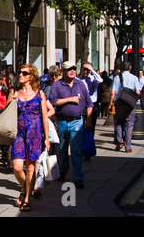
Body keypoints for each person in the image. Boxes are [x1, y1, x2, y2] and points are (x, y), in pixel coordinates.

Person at [6, 64, 49, 212]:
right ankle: (26, 188)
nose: (20, 75)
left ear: (31, 77)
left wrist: (47, 138)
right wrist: (13, 100)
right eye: (20, 72)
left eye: (24, 73)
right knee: (17, 167)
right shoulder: (14, 91)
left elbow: (44, 117)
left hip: (35, 133)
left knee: (31, 166)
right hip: (18, 133)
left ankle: (26, 198)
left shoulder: (39, 94)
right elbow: (6, 113)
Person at [49, 61, 93, 189]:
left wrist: (89, 120)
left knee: (76, 151)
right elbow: (53, 102)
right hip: (62, 122)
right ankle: (62, 171)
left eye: (74, 68)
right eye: (69, 69)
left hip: (77, 122)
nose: (73, 71)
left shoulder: (81, 84)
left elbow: (89, 103)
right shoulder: (57, 84)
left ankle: (78, 178)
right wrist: (70, 99)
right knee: (62, 150)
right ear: (63, 71)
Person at [108, 61, 140, 153]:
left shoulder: (117, 78)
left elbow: (112, 92)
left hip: (119, 102)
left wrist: (110, 104)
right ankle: (128, 147)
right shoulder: (134, 78)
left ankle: (120, 141)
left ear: (121, 68)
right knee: (129, 125)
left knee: (118, 122)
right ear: (130, 68)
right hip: (130, 103)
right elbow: (138, 92)